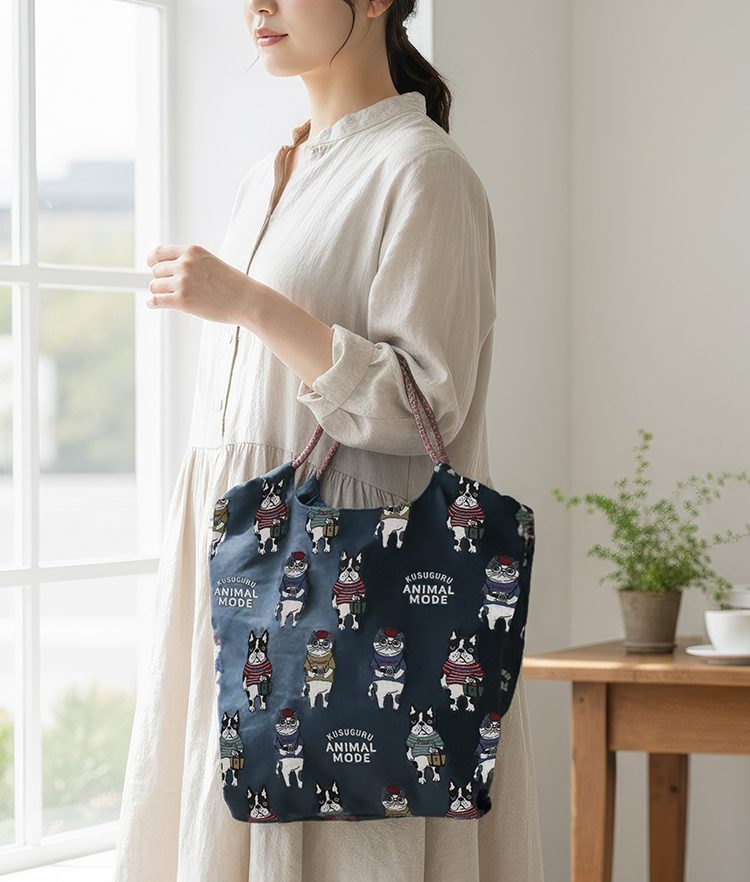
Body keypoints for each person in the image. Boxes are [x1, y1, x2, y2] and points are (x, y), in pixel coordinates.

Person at [113, 0, 544, 880]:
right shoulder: (269, 174)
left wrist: (249, 303)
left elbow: (423, 410)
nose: (257, 6)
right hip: (243, 569)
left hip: (351, 581)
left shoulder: (423, 170)